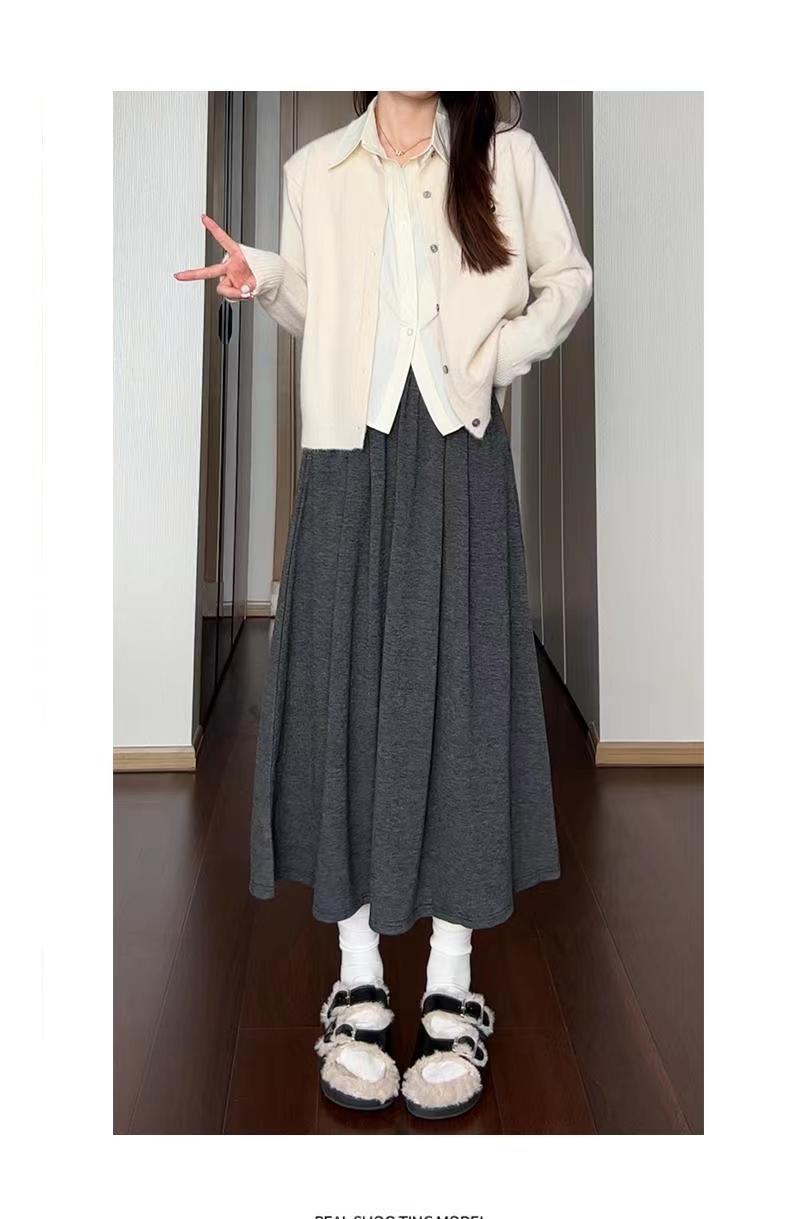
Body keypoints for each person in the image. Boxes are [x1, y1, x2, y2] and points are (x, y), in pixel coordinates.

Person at [175, 90, 592, 1121]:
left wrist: (498, 354)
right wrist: (265, 276)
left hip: (462, 453)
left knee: (465, 702)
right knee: (341, 700)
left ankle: (451, 982)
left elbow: (567, 278)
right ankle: (357, 976)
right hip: (345, 462)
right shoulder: (313, 169)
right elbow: (322, 310)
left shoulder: (504, 156)